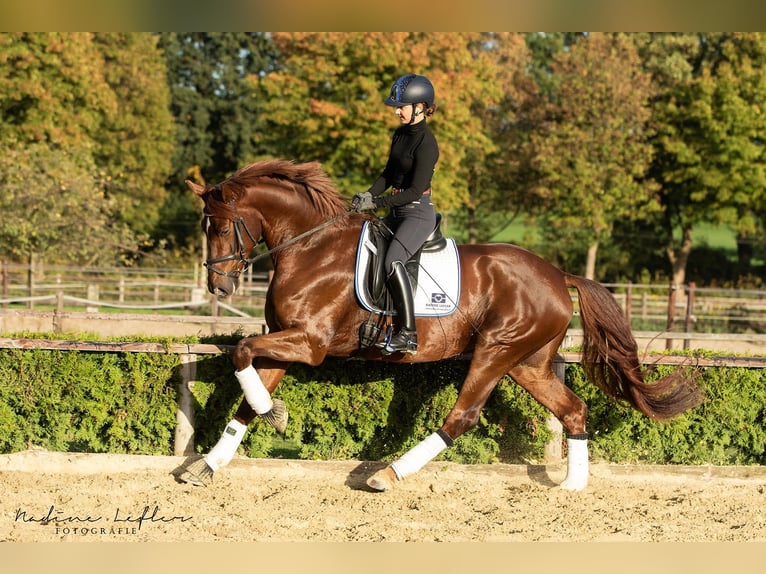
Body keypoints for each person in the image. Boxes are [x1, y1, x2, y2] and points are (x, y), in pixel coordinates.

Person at [352, 74, 439, 355]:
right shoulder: (400, 134)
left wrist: (376, 202)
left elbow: (414, 191)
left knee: (392, 261)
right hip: (395, 211)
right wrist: (367, 195)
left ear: (420, 106)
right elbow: (389, 174)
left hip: (416, 214)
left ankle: (408, 333)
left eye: (401, 106)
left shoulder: (427, 144)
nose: (396, 110)